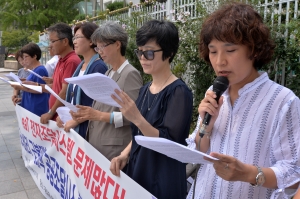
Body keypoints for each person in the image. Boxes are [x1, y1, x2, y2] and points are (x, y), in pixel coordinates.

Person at [185, 2, 300, 199]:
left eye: (230, 51)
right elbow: (201, 150)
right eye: (213, 51)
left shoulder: (283, 101)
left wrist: (248, 173)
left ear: (254, 50)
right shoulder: (214, 92)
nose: (220, 61)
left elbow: (293, 171)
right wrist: (206, 127)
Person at [110, 20, 193, 199]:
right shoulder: (145, 89)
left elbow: (169, 143)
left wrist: (137, 118)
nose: (142, 58)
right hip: (140, 168)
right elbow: (139, 134)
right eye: (139, 52)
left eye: (148, 53)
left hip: (163, 176)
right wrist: (124, 155)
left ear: (169, 53)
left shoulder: (179, 92)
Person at [67, 21, 142, 160]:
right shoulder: (108, 73)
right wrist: (85, 114)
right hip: (98, 144)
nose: (100, 51)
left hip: (115, 149)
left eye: (103, 46)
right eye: (97, 47)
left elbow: (134, 117)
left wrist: (98, 115)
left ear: (118, 44)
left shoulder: (130, 73)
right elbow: (100, 106)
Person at [56, 22, 108, 138]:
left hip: (88, 128)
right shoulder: (81, 66)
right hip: (76, 125)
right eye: (74, 37)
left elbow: (99, 104)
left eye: (78, 37)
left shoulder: (98, 67)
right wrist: (64, 116)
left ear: (91, 41)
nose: (74, 41)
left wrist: (76, 121)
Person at [39, 22, 81, 123]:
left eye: (53, 41)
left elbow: (64, 92)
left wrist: (50, 113)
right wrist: (33, 85)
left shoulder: (71, 61)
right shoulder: (61, 59)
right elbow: (56, 87)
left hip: (62, 119)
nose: (50, 45)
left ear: (65, 41)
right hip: (56, 117)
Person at [11, 43, 49, 116]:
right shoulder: (34, 70)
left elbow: (39, 90)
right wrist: (22, 99)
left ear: (34, 56)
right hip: (30, 105)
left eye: (26, 57)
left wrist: (19, 87)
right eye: (23, 57)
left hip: (36, 108)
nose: (24, 60)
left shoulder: (40, 70)